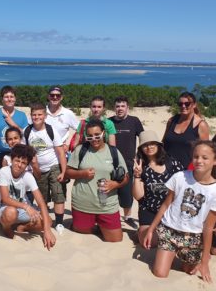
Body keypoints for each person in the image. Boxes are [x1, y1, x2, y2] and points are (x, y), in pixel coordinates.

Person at [143, 140, 216, 282]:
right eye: (196, 156)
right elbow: (165, 205)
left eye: (205, 157)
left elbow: (208, 227)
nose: (199, 161)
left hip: (194, 236)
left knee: (189, 271)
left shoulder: (214, 190)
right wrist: (151, 229)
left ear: (214, 161)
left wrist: (205, 261)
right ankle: (167, 253)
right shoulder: (180, 177)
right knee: (160, 273)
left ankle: (186, 257)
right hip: (169, 230)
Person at [65, 119, 129, 242]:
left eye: (97, 135)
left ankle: (101, 225)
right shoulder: (80, 150)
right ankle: (88, 224)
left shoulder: (113, 151)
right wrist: (82, 173)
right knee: (81, 231)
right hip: (83, 203)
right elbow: (68, 172)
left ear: (103, 133)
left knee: (115, 239)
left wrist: (114, 184)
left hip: (107, 205)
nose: (94, 139)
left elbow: (126, 177)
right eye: (89, 136)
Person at [0, 144, 56, 250]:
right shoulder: (4, 171)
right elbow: (5, 198)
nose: (19, 165)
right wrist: (27, 207)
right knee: (11, 212)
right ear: (11, 159)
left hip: (23, 210)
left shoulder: (28, 176)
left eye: (23, 163)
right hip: (7, 208)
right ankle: (6, 228)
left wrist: (47, 230)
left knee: (48, 222)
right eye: (17, 160)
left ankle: (22, 227)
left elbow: (41, 203)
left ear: (27, 165)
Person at [132, 130, 184, 246]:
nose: (149, 147)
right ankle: (141, 232)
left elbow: (183, 187)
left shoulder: (172, 164)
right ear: (141, 149)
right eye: (145, 145)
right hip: (149, 211)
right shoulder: (141, 167)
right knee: (151, 242)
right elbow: (139, 196)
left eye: (152, 143)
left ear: (159, 145)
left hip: (171, 211)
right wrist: (137, 176)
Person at [24, 103, 67, 234]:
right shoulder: (27, 131)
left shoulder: (51, 130)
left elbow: (60, 152)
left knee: (58, 194)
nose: (36, 117)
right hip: (37, 169)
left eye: (39, 114)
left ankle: (59, 223)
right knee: (42, 197)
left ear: (45, 116)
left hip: (54, 166)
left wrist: (63, 171)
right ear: (31, 116)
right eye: (34, 115)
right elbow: (25, 150)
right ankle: (46, 218)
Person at [0, 85, 28, 211]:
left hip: (16, 153)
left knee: (15, 180)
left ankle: (13, 202)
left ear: (15, 98)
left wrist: (11, 122)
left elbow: (25, 134)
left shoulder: (21, 115)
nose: (9, 99)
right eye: (6, 96)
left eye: (11, 96)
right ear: (2, 99)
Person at [109, 96, 144, 229]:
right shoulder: (109, 121)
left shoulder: (134, 121)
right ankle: (112, 216)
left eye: (123, 106)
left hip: (128, 162)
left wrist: (140, 157)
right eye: (117, 106)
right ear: (114, 108)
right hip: (111, 162)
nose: (120, 109)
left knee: (126, 192)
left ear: (127, 108)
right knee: (110, 190)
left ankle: (128, 217)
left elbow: (142, 138)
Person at [163, 91, 209, 169]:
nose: (183, 106)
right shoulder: (172, 121)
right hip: (167, 168)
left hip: (188, 171)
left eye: (187, 104)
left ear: (194, 105)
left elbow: (205, 152)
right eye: (180, 104)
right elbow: (163, 143)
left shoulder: (201, 125)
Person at [45, 85, 79, 153]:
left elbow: (79, 129)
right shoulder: (41, 112)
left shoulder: (68, 113)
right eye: (52, 95)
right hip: (43, 152)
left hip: (61, 153)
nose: (55, 97)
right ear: (48, 96)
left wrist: (68, 143)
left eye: (58, 95)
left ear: (61, 97)